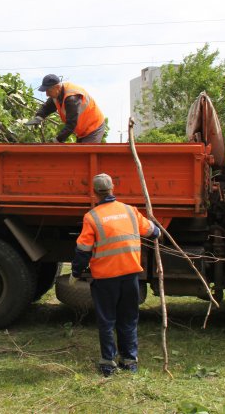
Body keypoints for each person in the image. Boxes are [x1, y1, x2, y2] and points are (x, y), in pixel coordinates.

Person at [70, 173, 160, 377]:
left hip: (105, 280)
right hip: (130, 276)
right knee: (128, 319)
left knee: (107, 321)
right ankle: (129, 361)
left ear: (94, 192)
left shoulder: (92, 217)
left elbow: (83, 249)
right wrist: (158, 231)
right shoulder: (130, 211)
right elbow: (152, 232)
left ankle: (108, 364)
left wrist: (76, 272)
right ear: (113, 188)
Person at [25, 74, 106, 143]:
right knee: (80, 157)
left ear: (57, 87)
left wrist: (57, 140)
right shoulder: (57, 93)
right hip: (82, 130)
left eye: (48, 91)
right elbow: (47, 107)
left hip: (94, 127)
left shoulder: (72, 98)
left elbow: (71, 125)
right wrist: (38, 117)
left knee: (85, 157)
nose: (47, 94)